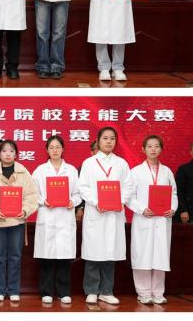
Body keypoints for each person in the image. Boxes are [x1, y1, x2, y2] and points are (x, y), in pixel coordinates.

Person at [78, 127, 133, 305]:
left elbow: (128, 186)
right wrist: (96, 202)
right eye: (105, 138)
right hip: (96, 212)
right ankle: (92, 290)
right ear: (98, 141)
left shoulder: (121, 163)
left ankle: (107, 291)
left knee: (110, 253)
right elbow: (83, 187)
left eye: (112, 138)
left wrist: (120, 201)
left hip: (114, 214)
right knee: (93, 253)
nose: (109, 141)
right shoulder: (89, 163)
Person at [0, 139, 38, 302]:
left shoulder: (24, 173)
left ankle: (13, 290)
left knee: (15, 257)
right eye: (4, 151)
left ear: (16, 154)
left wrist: (25, 210)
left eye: (11, 151)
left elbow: (32, 196)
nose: (8, 154)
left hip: (17, 222)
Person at [129, 135, 178, 304]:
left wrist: (173, 208)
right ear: (143, 149)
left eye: (157, 146)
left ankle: (158, 292)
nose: (153, 149)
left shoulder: (167, 172)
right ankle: (143, 293)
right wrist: (142, 209)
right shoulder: (135, 172)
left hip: (162, 220)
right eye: (149, 146)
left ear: (161, 149)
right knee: (142, 256)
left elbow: (173, 193)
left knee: (160, 256)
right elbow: (129, 196)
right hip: (144, 218)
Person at [32, 135, 80, 305]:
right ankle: (46, 291)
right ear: (47, 150)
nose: (55, 150)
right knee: (47, 257)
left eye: (58, 147)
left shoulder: (71, 170)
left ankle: (63, 291)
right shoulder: (40, 170)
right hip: (47, 215)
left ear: (63, 149)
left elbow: (78, 193)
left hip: (65, 217)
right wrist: (43, 201)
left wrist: (72, 202)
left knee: (64, 257)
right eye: (51, 147)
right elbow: (33, 193)